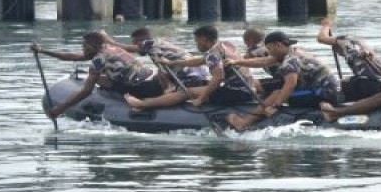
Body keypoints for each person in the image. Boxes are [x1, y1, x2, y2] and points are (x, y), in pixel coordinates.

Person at [224, 31, 341, 131]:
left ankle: (244, 123)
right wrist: (237, 62)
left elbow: (290, 84)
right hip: (327, 89)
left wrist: (276, 106)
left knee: (277, 93)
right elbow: (264, 61)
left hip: (323, 93)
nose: (269, 52)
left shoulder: (290, 60)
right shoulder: (294, 52)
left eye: (269, 48)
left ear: (278, 45)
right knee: (275, 89)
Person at [31, 31, 163, 120]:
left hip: (143, 90)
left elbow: (87, 91)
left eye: (83, 46)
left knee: (96, 78)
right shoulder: (112, 49)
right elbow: (73, 57)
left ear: (90, 47)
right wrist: (43, 51)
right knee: (101, 77)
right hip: (154, 83)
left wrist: (61, 108)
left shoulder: (99, 60)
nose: (82, 49)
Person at [125, 25, 253, 110]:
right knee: (200, 87)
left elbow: (218, 77)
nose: (196, 44)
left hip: (236, 93)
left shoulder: (213, 53)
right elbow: (198, 61)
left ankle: (142, 104)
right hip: (247, 89)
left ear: (204, 39)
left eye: (197, 41)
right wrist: (171, 63)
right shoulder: (223, 47)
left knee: (187, 92)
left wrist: (201, 99)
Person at [107, 27, 209, 90]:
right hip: (202, 74)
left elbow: (129, 49)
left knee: (161, 75)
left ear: (142, 41)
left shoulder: (151, 46)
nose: (135, 46)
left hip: (191, 79)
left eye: (135, 43)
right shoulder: (161, 43)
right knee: (158, 74)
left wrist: (109, 41)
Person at [317, 17, 381, 100]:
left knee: (333, 87)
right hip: (380, 85)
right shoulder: (362, 44)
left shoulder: (344, 42)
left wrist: (326, 25)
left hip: (367, 86)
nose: (340, 54)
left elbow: (321, 38)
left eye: (337, 51)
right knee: (345, 80)